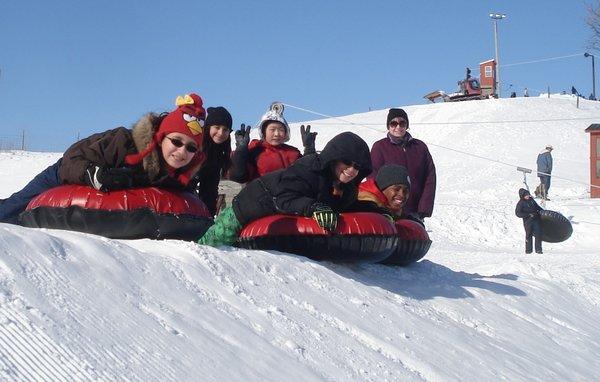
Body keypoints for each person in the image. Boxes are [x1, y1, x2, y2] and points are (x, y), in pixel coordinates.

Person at [0, 93, 207, 224]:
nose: (181, 152)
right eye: (176, 142)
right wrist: (96, 175)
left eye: (190, 148)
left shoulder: (178, 176)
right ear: (162, 138)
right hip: (63, 174)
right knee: (13, 209)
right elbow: (72, 158)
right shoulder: (123, 142)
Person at [198, 132, 372, 247]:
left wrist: (378, 211)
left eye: (357, 167)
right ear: (335, 158)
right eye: (347, 163)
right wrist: (314, 207)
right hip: (251, 205)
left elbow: (349, 207)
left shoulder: (346, 189)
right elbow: (284, 197)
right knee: (217, 241)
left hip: (277, 225)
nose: (351, 170)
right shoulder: (309, 169)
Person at [369, 108, 436, 221]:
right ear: (388, 126)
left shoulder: (420, 147)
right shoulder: (380, 147)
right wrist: (380, 206)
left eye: (402, 123)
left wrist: (423, 208)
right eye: (393, 123)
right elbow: (373, 177)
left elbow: (430, 177)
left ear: (407, 125)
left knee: (416, 238)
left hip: (415, 211)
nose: (398, 127)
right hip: (389, 210)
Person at [228, 103, 316, 183]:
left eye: (281, 130)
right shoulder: (255, 151)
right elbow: (239, 177)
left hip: (291, 197)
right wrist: (241, 150)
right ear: (263, 132)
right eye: (272, 130)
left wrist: (309, 149)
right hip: (261, 198)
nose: (277, 134)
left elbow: (308, 175)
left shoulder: (294, 153)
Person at [193, 106, 233, 216]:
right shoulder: (195, 145)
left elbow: (209, 189)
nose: (221, 133)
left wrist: (208, 216)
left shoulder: (219, 154)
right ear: (208, 127)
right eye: (217, 127)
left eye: (225, 129)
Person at [515, 188, 543, 254]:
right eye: (526, 195)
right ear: (522, 196)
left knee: (538, 234)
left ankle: (538, 250)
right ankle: (528, 250)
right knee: (529, 235)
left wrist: (543, 211)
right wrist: (528, 215)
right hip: (528, 221)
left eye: (528, 194)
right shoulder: (520, 203)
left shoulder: (531, 200)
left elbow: (537, 207)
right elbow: (518, 213)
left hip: (536, 219)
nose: (528, 196)